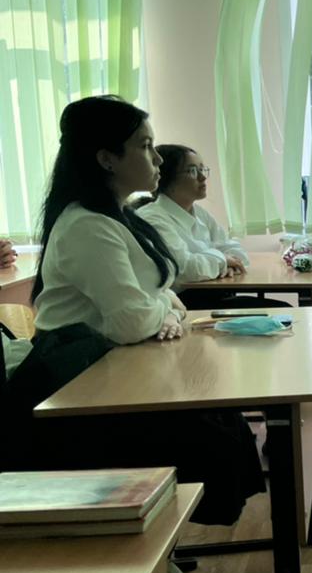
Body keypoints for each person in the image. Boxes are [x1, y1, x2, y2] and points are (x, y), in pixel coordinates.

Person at [2, 95, 266, 525]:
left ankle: (165, 542)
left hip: (116, 367)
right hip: (80, 386)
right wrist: (163, 308)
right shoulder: (87, 225)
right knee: (209, 435)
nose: (158, 157)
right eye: (145, 146)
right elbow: (131, 321)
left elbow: (163, 296)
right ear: (106, 158)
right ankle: (147, 542)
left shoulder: (120, 216)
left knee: (220, 416)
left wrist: (163, 308)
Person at [135, 145, 282, 310]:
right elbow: (184, 269)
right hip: (182, 304)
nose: (202, 177)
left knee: (282, 310)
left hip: (215, 294)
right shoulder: (152, 218)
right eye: (192, 171)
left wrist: (224, 263)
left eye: (202, 169)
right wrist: (222, 260)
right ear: (167, 178)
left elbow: (235, 251)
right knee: (280, 310)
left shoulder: (199, 212)